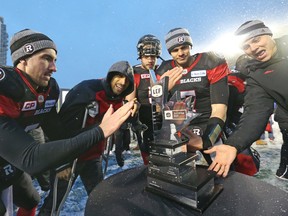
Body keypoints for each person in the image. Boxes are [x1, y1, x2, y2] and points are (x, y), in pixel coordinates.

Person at [0, 29, 134, 216]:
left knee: (32, 200)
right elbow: (31, 159)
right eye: (46, 58)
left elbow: (57, 132)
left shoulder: (48, 90)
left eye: (55, 60)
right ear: (23, 59)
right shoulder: (5, 88)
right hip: (20, 157)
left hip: (11, 162)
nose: (54, 67)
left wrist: (65, 162)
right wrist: (101, 131)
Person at [39, 61, 135, 215]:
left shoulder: (117, 99)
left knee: (101, 199)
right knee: (55, 202)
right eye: (119, 76)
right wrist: (61, 162)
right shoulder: (87, 89)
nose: (122, 82)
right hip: (70, 156)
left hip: (92, 157)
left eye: (127, 80)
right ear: (110, 76)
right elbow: (59, 126)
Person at [204, 20, 288, 177]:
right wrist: (233, 145)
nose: (253, 48)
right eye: (246, 46)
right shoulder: (256, 76)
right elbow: (255, 112)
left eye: (256, 40)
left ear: (268, 33)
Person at [156, 28, 229, 163]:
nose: (181, 53)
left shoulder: (210, 62)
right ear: (169, 52)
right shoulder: (164, 70)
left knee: (221, 170)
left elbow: (220, 108)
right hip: (181, 128)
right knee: (180, 174)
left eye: (184, 47)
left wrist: (208, 139)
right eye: (175, 50)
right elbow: (158, 111)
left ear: (190, 46)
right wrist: (162, 90)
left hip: (208, 123)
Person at [125, 34, 162, 165]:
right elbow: (130, 100)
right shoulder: (134, 72)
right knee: (147, 152)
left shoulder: (163, 70)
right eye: (147, 57)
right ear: (140, 55)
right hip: (144, 119)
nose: (150, 60)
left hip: (163, 118)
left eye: (153, 57)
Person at [274, 106, 288, 180]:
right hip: (285, 118)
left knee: (286, 144)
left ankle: (281, 169)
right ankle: (283, 171)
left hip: (282, 119)